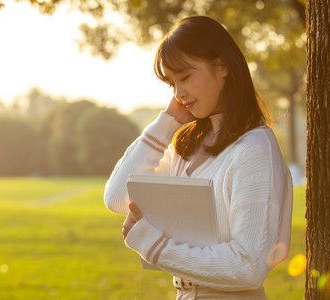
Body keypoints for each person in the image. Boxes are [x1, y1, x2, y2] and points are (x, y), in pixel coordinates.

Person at [104, 15, 293, 300]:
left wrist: (155, 247)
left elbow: (249, 266)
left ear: (222, 66)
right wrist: (167, 122)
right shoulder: (187, 147)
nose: (179, 94)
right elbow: (118, 198)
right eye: (171, 84)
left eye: (186, 77)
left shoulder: (254, 149)